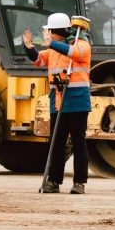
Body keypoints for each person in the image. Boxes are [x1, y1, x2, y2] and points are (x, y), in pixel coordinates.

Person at [22, 12, 91, 194]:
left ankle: (79, 183)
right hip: (58, 102)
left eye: (49, 31)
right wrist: (29, 48)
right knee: (57, 143)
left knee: (79, 143)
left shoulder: (82, 46)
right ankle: (53, 181)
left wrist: (52, 44)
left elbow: (73, 53)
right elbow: (38, 59)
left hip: (77, 102)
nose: (47, 34)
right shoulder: (52, 50)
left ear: (56, 31)